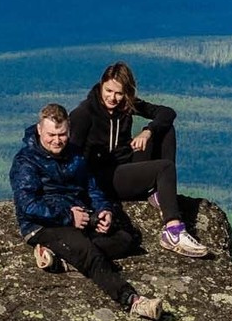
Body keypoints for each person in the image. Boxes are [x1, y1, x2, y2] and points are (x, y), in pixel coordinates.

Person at [10, 103, 164, 321]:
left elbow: (92, 188)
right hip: (43, 225)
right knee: (90, 255)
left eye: (62, 134)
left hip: (78, 218)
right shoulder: (26, 162)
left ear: (69, 130)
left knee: (127, 239)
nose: (57, 140)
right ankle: (133, 301)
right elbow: (28, 205)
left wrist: (103, 211)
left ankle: (60, 258)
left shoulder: (75, 155)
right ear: (39, 130)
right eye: (51, 134)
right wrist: (68, 216)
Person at [68, 61, 208, 258]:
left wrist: (148, 131)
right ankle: (173, 231)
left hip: (125, 165)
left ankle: (160, 194)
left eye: (119, 93)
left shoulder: (125, 106)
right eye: (108, 90)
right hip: (104, 178)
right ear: (101, 86)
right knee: (165, 168)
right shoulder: (84, 114)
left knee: (165, 128)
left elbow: (167, 113)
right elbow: (71, 156)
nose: (113, 97)